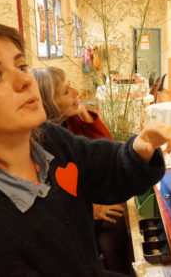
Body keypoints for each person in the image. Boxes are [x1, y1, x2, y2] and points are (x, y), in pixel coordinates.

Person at [0, 21, 171, 276]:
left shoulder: (49, 139)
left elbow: (109, 167)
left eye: (21, 66)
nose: (24, 79)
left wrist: (142, 145)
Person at [31, 66, 130, 274]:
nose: (77, 93)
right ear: (49, 104)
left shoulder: (70, 122)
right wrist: (91, 208)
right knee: (114, 224)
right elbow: (47, 195)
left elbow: (104, 155)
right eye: (66, 91)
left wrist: (84, 113)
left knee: (119, 216)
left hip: (84, 201)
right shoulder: (38, 143)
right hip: (65, 222)